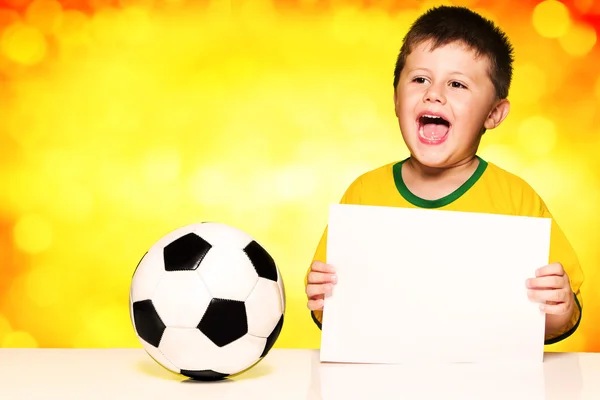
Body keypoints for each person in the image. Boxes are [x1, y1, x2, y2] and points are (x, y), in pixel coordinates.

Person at [304, 5, 584, 345]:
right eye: (420, 79)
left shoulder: (517, 200)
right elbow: (329, 309)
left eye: (457, 84)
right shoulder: (363, 194)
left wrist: (560, 308)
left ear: (494, 113)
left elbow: (560, 317)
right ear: (396, 98)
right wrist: (322, 297)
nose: (433, 93)